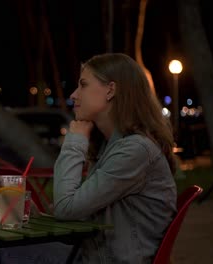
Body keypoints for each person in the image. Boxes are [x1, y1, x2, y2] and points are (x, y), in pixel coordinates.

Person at [54, 53, 177, 263]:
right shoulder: (112, 146)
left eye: (83, 85)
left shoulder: (134, 151)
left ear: (110, 90)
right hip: (95, 254)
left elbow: (65, 208)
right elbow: (77, 210)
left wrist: (75, 140)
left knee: (9, 253)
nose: (74, 95)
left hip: (109, 259)